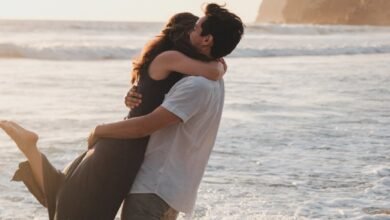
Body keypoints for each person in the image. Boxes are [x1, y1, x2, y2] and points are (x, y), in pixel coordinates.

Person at [0, 12, 226, 220]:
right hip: (125, 144)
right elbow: (215, 70)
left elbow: (215, 67)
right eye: (192, 30)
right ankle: (29, 147)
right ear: (183, 35)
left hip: (125, 140)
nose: (194, 34)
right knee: (72, 204)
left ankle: (30, 148)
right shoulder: (171, 58)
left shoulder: (177, 65)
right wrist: (98, 129)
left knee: (67, 192)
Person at [94, 3, 245, 219]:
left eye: (195, 28)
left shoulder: (196, 85)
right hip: (170, 189)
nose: (190, 30)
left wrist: (98, 131)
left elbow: (143, 126)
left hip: (154, 188)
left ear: (206, 39)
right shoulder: (212, 80)